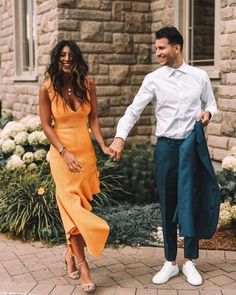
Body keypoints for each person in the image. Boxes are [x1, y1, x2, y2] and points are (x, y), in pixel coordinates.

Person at [109, 26, 218, 286]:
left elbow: (211, 103)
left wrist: (208, 114)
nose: (157, 52)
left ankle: (190, 261)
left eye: (161, 48)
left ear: (176, 48)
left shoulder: (199, 76)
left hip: (191, 146)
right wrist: (120, 136)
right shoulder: (153, 79)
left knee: (190, 200)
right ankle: (170, 262)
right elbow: (134, 110)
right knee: (168, 203)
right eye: (156, 48)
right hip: (166, 148)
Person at [39, 40, 110, 294]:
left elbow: (93, 120)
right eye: (62, 55)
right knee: (73, 209)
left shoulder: (87, 84)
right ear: (56, 59)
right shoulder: (47, 88)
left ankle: (70, 254)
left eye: (70, 55)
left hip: (85, 156)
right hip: (62, 156)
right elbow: (47, 126)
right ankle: (84, 266)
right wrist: (63, 151)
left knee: (77, 210)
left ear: (76, 57)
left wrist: (102, 145)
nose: (66, 59)